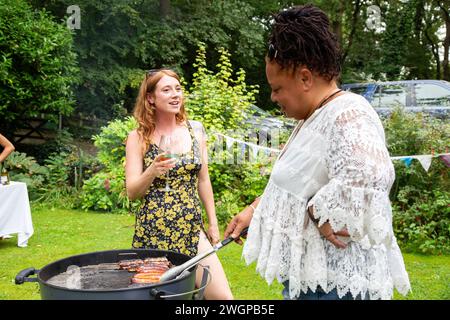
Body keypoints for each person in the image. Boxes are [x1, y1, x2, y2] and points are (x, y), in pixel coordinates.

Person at [225, 4, 411, 300]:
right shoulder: (315, 117)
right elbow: (303, 182)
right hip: (316, 283)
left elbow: (370, 175)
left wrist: (317, 209)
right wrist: (254, 210)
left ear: (305, 78)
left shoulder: (348, 113)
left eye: (277, 88)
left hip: (337, 288)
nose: (273, 97)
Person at [125, 68, 233, 300]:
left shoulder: (196, 130)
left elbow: (203, 180)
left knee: (222, 298)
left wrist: (213, 223)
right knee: (165, 297)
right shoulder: (138, 137)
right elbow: (132, 192)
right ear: (150, 98)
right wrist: (152, 171)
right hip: (154, 231)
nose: (175, 95)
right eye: (166, 90)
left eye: (178, 89)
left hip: (191, 229)